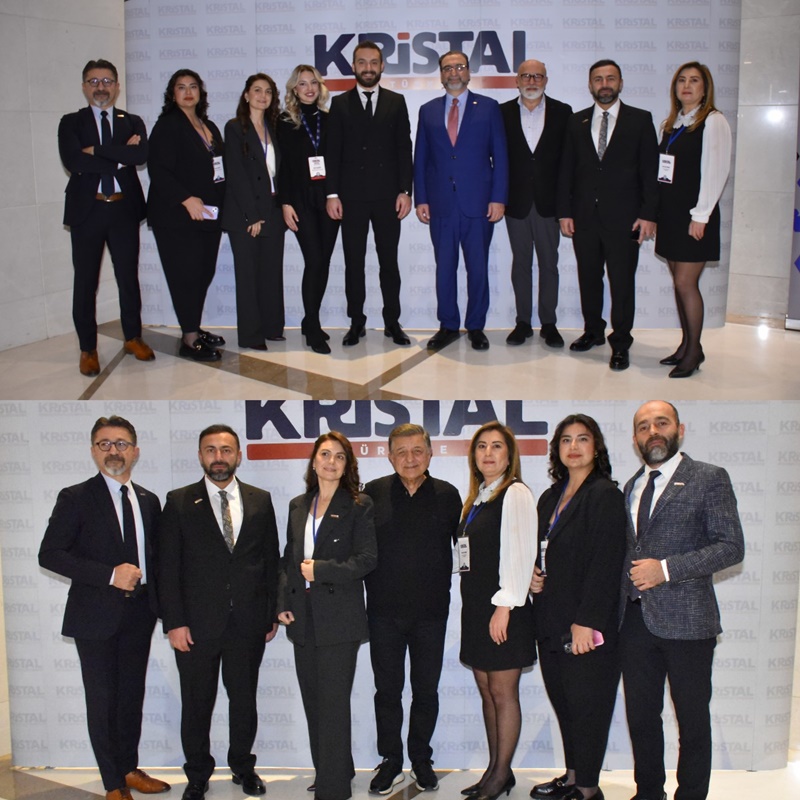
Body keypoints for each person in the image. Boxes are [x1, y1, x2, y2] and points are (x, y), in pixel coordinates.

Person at [39, 415, 170, 800]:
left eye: (121, 444)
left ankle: (128, 768)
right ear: (94, 451)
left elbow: (158, 558)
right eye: (105, 444)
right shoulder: (76, 497)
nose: (114, 451)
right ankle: (113, 783)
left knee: (131, 697)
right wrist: (110, 575)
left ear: (135, 451)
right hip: (94, 617)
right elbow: (50, 554)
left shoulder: (148, 500)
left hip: (140, 614)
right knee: (102, 700)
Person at [620, 401, 745, 800]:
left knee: (691, 722)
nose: (653, 431)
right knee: (641, 719)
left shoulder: (708, 477)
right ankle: (648, 793)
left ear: (680, 429)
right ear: (635, 438)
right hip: (634, 621)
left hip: (689, 622)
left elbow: (731, 546)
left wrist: (666, 569)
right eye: (644, 426)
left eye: (661, 423)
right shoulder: (630, 486)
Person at [158, 424, 281, 800]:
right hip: (195, 626)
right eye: (210, 450)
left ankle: (243, 767)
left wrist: (271, 614)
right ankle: (197, 774)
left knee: (244, 702)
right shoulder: (179, 501)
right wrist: (174, 622)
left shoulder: (260, 499)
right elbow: (167, 567)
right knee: (197, 704)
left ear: (238, 455)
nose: (218, 457)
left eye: (226, 450)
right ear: (200, 456)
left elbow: (270, 560)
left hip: (248, 622)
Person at [529, 415, 626, 800]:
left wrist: (587, 621)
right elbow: (542, 548)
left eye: (582, 439)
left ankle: (587, 787)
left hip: (586, 625)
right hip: (550, 618)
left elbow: (606, 563)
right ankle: (571, 777)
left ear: (596, 447)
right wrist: (533, 575)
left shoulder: (604, 495)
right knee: (565, 704)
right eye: (566, 440)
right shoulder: (550, 497)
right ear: (557, 449)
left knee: (588, 708)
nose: (574, 447)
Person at [362, 425, 462, 793]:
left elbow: (467, 551)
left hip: (431, 614)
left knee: (426, 691)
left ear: (430, 454)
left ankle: (421, 758)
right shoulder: (371, 494)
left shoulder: (448, 495)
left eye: (418, 450)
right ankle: (391, 760)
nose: (410, 458)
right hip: (383, 614)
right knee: (387, 692)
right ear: (389, 456)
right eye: (401, 452)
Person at [278, 432, 377, 800]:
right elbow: (288, 559)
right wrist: (282, 601)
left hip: (339, 618)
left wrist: (320, 570)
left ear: (348, 464)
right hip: (302, 617)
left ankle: (334, 789)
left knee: (333, 705)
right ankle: (332, 769)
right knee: (313, 702)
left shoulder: (359, 504)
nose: (331, 462)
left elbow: (366, 560)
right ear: (314, 461)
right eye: (324, 454)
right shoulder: (298, 504)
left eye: (339, 456)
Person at [556, 59, 659, 371]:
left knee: (622, 283)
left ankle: (621, 342)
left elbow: (650, 171)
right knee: (589, 278)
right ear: (590, 85)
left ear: (620, 83)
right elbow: (566, 170)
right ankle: (593, 331)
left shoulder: (640, 120)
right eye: (598, 79)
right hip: (584, 216)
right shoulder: (576, 121)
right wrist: (564, 212)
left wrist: (648, 214)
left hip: (626, 219)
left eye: (610, 78)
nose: (604, 84)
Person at [58, 59, 155, 376]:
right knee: (85, 282)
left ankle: (133, 337)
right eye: (94, 81)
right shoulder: (71, 122)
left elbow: (140, 155)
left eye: (107, 81)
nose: (101, 87)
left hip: (124, 210)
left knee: (128, 278)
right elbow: (74, 162)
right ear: (84, 86)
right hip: (88, 212)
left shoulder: (132, 121)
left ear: (116, 86)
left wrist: (95, 151)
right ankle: (88, 348)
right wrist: (119, 157)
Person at [457, 422, 537, 800]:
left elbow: (520, 554)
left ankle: (501, 775)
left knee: (503, 694)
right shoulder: (478, 499)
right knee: (488, 692)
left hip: (504, 609)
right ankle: (495, 769)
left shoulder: (515, 493)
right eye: (481, 447)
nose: (488, 453)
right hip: (477, 610)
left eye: (496, 447)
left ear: (509, 456)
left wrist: (504, 606)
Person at [415, 52, 509, 352]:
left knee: (477, 268)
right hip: (440, 203)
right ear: (441, 75)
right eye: (447, 68)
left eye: (459, 67)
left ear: (469, 72)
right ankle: (448, 324)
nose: (454, 73)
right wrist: (421, 198)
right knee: (444, 268)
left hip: (478, 203)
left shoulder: (489, 107)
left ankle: (476, 326)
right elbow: (421, 159)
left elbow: (500, 157)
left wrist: (498, 198)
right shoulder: (428, 110)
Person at [325, 41, 414, 347]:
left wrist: (405, 190)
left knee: (389, 263)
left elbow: (404, 148)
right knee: (354, 263)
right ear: (353, 66)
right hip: (351, 198)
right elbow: (332, 152)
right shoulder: (340, 104)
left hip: (389, 197)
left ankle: (392, 322)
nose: (368, 68)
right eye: (362, 62)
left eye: (373, 62)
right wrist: (332, 194)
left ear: (382, 66)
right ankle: (356, 322)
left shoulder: (396, 101)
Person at [655, 63, 732, 378]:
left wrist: (701, 216)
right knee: (678, 283)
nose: (687, 85)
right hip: (671, 216)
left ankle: (694, 352)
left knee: (686, 283)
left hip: (695, 215)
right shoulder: (672, 124)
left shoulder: (713, 121)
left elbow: (716, 172)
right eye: (682, 80)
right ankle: (686, 345)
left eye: (694, 80)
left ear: (705, 88)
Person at [147, 69, 226, 362]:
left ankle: (193, 326)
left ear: (200, 92)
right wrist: (185, 199)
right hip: (176, 217)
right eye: (181, 87)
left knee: (203, 272)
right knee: (186, 276)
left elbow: (220, 169)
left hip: (208, 215)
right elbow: (158, 170)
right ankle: (189, 339)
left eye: (193, 86)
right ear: (173, 94)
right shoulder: (167, 125)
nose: (188, 92)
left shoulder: (209, 126)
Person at [500, 60, 572, 349]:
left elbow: (568, 164)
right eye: (526, 76)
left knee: (548, 264)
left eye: (537, 76)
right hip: (515, 202)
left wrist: (566, 206)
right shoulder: (502, 113)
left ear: (546, 80)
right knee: (520, 264)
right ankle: (523, 322)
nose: (532, 81)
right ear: (517, 81)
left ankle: (549, 323)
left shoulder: (563, 112)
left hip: (549, 204)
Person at [278, 65, 340, 354]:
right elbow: (281, 167)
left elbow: (338, 160)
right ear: (294, 89)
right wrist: (285, 202)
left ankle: (308, 320)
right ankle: (313, 326)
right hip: (300, 199)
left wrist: (336, 195)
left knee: (323, 261)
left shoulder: (330, 119)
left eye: (313, 82)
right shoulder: (284, 121)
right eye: (302, 84)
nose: (309, 88)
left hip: (328, 198)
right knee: (314, 260)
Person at [222, 73, 286, 349]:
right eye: (257, 90)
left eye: (268, 91)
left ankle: (272, 327)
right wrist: (252, 215)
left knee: (271, 272)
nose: (263, 96)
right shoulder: (235, 128)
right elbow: (236, 174)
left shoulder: (276, 127)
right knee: (248, 276)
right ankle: (250, 335)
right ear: (246, 95)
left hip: (273, 209)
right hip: (245, 214)